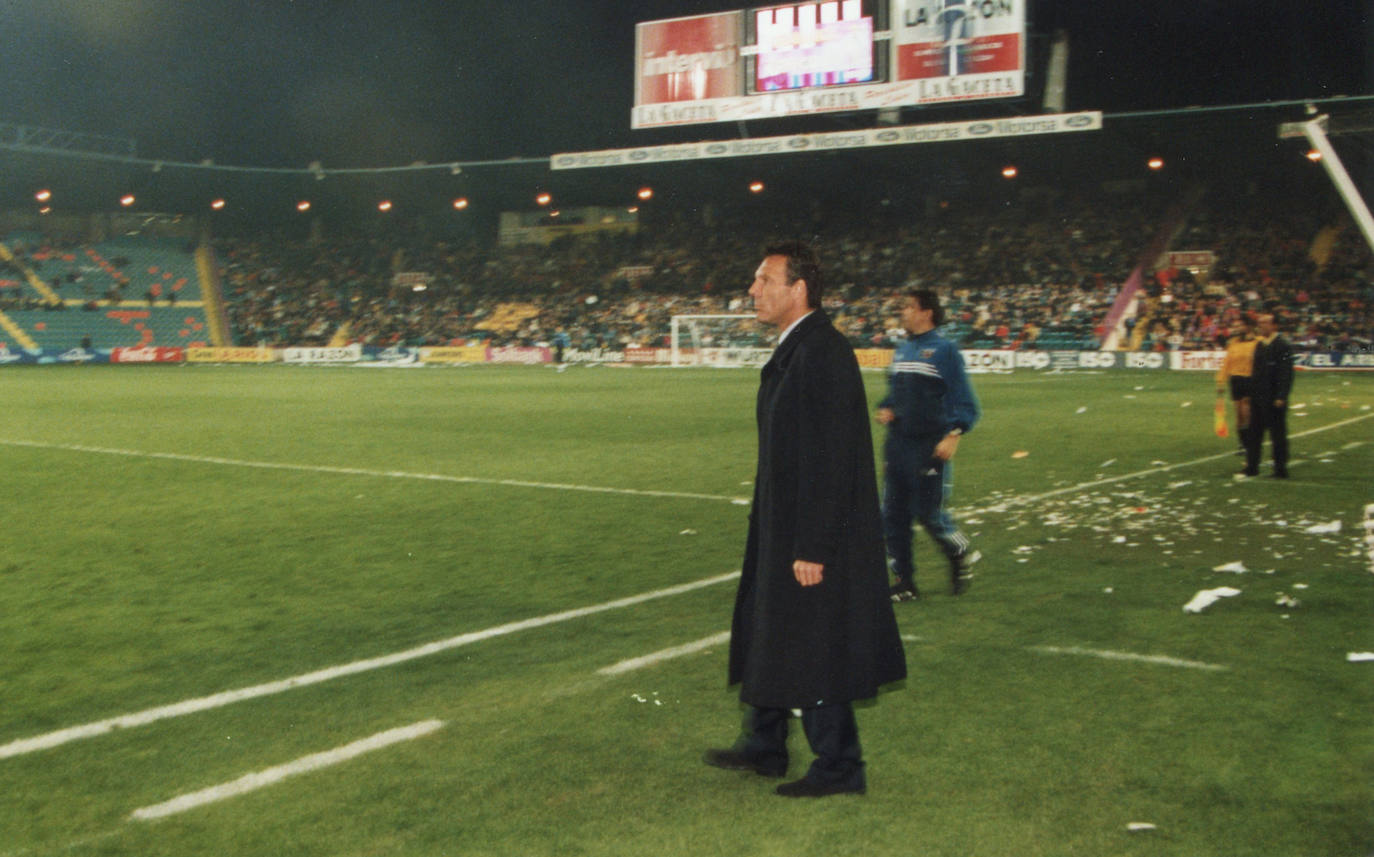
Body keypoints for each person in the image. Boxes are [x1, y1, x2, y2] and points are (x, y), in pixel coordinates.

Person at [703, 241, 906, 798]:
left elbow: (830, 457)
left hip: (812, 535)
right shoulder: (800, 349)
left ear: (798, 290)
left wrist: (812, 545)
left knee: (813, 641)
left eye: (764, 280)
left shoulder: (823, 353)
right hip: (781, 523)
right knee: (770, 626)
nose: (752, 291)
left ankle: (840, 765)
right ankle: (764, 745)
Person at [878, 290, 981, 601]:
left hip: (928, 446)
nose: (903, 312)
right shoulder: (903, 349)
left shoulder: (944, 350)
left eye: (909, 307)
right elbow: (895, 393)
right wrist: (888, 407)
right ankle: (905, 582)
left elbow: (963, 399)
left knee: (928, 513)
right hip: (897, 444)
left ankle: (959, 552)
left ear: (926, 312)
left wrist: (953, 434)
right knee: (892, 516)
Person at [1245, 312, 1295, 478]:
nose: (1261, 326)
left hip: (1274, 397)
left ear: (1274, 325)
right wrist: (1250, 393)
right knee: (1254, 433)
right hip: (1258, 397)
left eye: (1265, 323)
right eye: (1259, 323)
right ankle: (1252, 467)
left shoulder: (1283, 345)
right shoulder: (1260, 345)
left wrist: (1282, 395)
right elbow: (1255, 371)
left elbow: (1286, 373)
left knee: (1277, 435)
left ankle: (1280, 469)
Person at [1216, 316, 1256, 460]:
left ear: (1248, 326)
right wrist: (1221, 381)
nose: (1237, 328)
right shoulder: (1233, 343)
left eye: (1240, 325)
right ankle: (1242, 444)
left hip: (1250, 379)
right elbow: (1227, 363)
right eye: (1236, 326)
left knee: (1246, 411)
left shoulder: (1257, 343)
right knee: (1239, 415)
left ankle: (1250, 443)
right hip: (1236, 379)